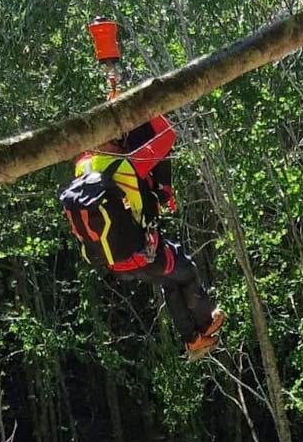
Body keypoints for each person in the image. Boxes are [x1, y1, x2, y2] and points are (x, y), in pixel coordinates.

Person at [62, 113, 224, 361]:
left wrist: (115, 106)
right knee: (187, 270)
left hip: (116, 262)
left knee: (171, 282)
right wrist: (147, 108)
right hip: (146, 253)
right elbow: (167, 135)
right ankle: (206, 324)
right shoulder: (127, 164)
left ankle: (193, 341)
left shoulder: (83, 165)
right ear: (114, 139)